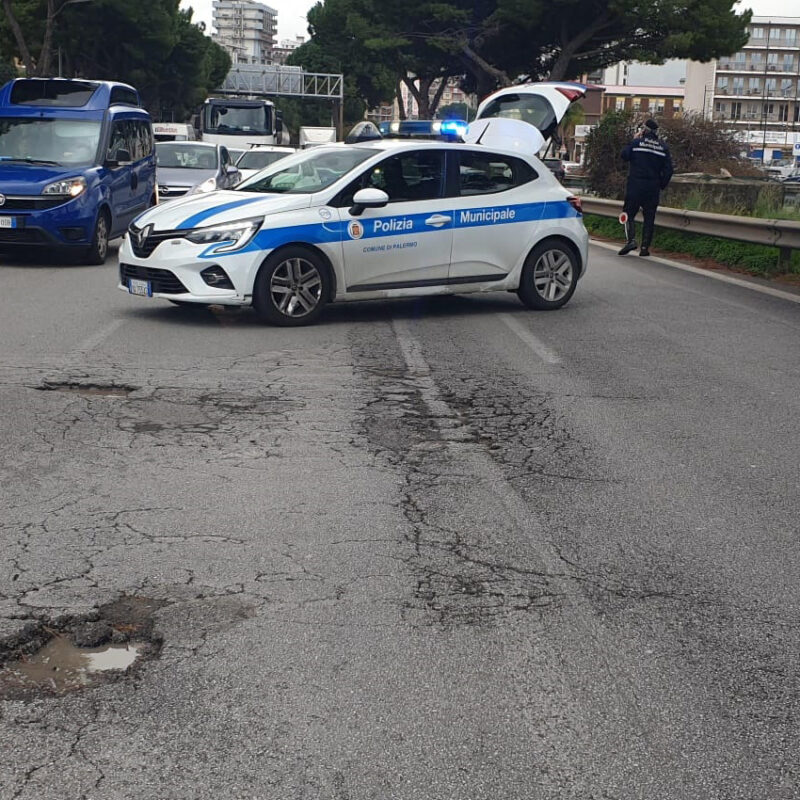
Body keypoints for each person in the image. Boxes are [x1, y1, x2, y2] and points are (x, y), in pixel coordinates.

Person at [618, 118, 673, 257]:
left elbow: (624, 155)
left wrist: (632, 140)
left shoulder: (636, 143)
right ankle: (644, 247)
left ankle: (631, 240)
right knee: (649, 217)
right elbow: (669, 170)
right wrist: (661, 184)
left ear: (644, 130)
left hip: (635, 185)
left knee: (628, 214)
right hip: (652, 187)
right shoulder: (663, 147)